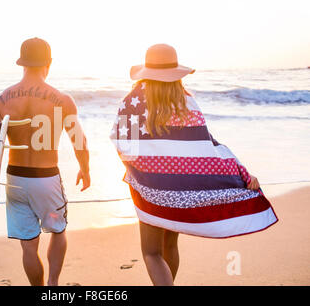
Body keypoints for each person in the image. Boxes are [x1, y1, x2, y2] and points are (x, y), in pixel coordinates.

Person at [111, 44, 278, 286]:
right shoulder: (187, 101)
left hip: (148, 185)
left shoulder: (133, 101)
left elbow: (123, 144)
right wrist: (242, 172)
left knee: (151, 252)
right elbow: (207, 145)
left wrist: (140, 172)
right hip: (181, 188)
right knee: (169, 244)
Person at [0, 37, 90, 286]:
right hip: (47, 179)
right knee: (58, 231)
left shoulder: (2, 100)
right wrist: (85, 169)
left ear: (22, 63)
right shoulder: (62, 100)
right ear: (48, 63)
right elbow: (79, 142)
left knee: (28, 246)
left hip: (15, 181)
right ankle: (52, 284)